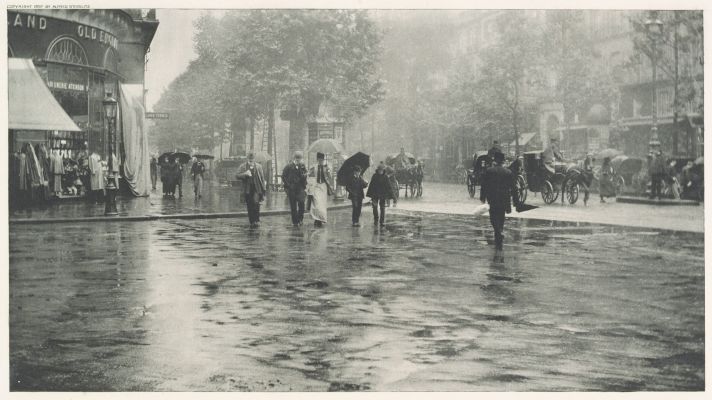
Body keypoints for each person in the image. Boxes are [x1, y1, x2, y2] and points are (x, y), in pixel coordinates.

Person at [480, 150, 519, 250]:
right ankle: (499, 231)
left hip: (492, 197)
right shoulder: (508, 172)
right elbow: (514, 187)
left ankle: (498, 231)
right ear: (502, 161)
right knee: (501, 216)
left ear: (495, 160)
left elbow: (484, 185)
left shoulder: (489, 171)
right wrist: (516, 201)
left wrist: (483, 197)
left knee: (493, 216)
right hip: (504, 197)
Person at [236, 152, 266, 228]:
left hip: (257, 188)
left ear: (254, 159)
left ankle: (257, 220)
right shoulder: (243, 166)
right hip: (247, 189)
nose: (251, 161)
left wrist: (264, 188)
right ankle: (252, 221)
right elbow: (237, 175)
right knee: (249, 205)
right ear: (247, 159)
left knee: (256, 203)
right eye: (250, 159)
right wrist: (245, 174)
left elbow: (262, 178)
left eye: (252, 159)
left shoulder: (258, 166)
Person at [282, 151, 309, 227]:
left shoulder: (302, 166)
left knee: (302, 204)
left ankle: (300, 219)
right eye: (297, 158)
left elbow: (305, 175)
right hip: (292, 189)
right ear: (294, 158)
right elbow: (283, 176)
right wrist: (288, 185)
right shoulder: (289, 166)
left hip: (300, 188)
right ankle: (295, 222)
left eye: (299, 159)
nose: (298, 160)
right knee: (293, 206)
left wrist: (305, 175)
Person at [307, 152, 333, 227]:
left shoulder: (326, 167)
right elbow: (309, 175)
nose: (321, 161)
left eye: (322, 160)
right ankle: (316, 219)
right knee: (316, 203)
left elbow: (330, 177)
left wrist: (328, 171)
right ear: (317, 159)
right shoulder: (313, 167)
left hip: (323, 187)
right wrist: (309, 174)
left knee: (322, 205)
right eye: (319, 160)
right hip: (316, 186)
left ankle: (320, 220)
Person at [367, 163, 394, 227]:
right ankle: (376, 219)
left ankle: (382, 221)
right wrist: (371, 195)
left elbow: (389, 187)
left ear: (383, 170)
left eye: (381, 170)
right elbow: (371, 186)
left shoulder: (385, 177)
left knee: (382, 208)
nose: (380, 171)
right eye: (379, 170)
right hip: (375, 194)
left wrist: (393, 196)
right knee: (375, 207)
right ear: (378, 170)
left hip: (382, 195)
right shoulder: (374, 176)